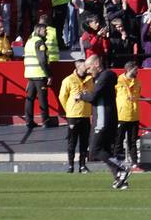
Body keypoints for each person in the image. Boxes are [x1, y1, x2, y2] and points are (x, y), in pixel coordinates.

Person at [80, 54, 131, 189]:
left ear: (97, 64)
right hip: (105, 118)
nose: (88, 71)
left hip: (103, 120)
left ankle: (121, 168)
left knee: (94, 150)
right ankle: (120, 178)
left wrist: (81, 95)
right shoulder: (101, 78)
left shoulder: (105, 76)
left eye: (89, 67)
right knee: (104, 150)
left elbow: (93, 97)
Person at [24, 15, 60, 129]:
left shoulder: (29, 40)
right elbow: (42, 60)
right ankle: (46, 121)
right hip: (39, 74)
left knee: (29, 99)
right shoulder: (39, 42)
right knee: (42, 98)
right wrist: (49, 74)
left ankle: (29, 121)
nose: (46, 32)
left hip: (30, 74)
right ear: (39, 30)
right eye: (45, 30)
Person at [58, 59, 93, 172]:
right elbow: (62, 97)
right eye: (85, 65)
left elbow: (92, 95)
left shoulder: (90, 79)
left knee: (84, 142)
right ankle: (70, 165)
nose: (87, 67)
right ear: (78, 67)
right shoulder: (68, 80)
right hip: (73, 115)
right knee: (72, 141)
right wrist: (69, 110)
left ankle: (82, 165)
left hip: (85, 114)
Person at [115, 62, 142, 170]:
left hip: (134, 115)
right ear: (129, 69)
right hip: (121, 115)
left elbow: (138, 94)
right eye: (136, 70)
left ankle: (134, 163)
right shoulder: (118, 81)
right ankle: (116, 162)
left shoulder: (138, 82)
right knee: (118, 140)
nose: (137, 72)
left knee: (133, 141)